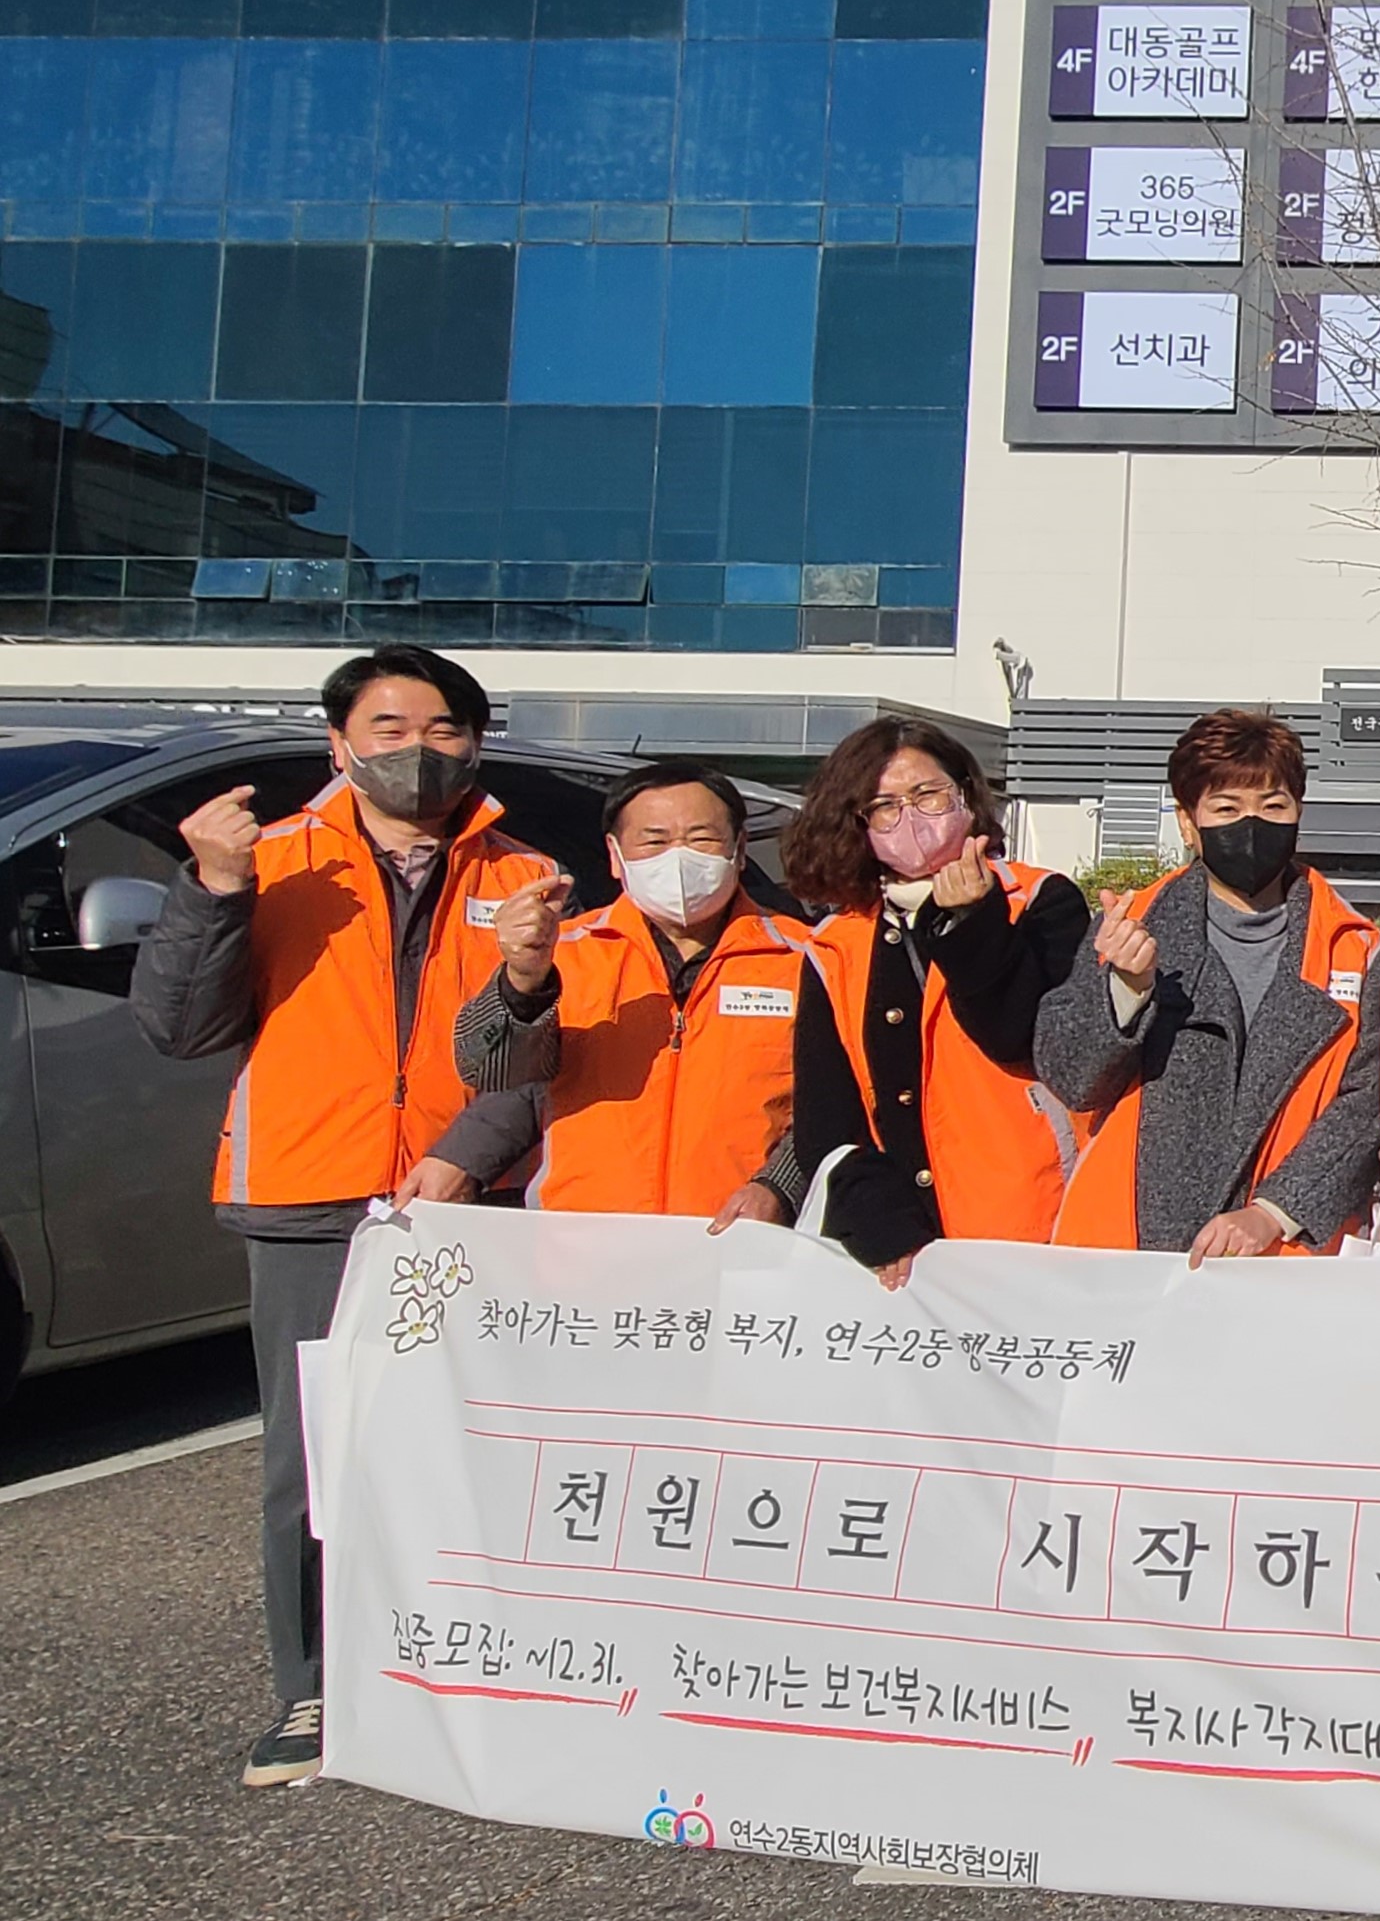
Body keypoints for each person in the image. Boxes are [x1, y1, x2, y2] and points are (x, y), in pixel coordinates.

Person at [126, 645, 564, 1787]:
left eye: (444, 727)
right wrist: (208, 890)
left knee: (476, 1440)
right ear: (339, 742)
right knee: (317, 1452)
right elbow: (179, 1026)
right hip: (312, 1198)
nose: (416, 748)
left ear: (477, 741)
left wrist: (469, 1157)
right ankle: (316, 1683)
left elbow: (539, 1050)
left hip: (472, 1206)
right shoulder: (266, 863)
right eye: (387, 725)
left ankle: (474, 1665)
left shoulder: (526, 877)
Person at [1037, 708, 1380, 1256]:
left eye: (1273, 806)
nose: (1251, 824)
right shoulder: (1129, 925)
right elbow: (1074, 1081)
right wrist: (1126, 990)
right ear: (1187, 822)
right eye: (1226, 807)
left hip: (1285, 1256)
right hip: (1132, 1251)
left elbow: (1371, 1099)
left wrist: (1275, 1210)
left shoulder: (1354, 945)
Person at [772, 719, 1090, 1281]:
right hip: (896, 1245)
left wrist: (973, 919)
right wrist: (874, 1218)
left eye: (928, 795)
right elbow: (826, 1113)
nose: (910, 818)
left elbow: (1016, 1035)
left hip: (1033, 1223)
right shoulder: (837, 942)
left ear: (965, 794)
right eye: (884, 806)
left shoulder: (1040, 899)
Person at [446, 762, 816, 1218]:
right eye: (654, 841)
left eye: (701, 838)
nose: (678, 857)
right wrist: (522, 980)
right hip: (584, 1242)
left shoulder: (805, 959)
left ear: (739, 850)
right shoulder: (567, 951)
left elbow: (843, 1102)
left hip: (738, 1240)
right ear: (616, 856)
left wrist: (777, 1188)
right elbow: (490, 1070)